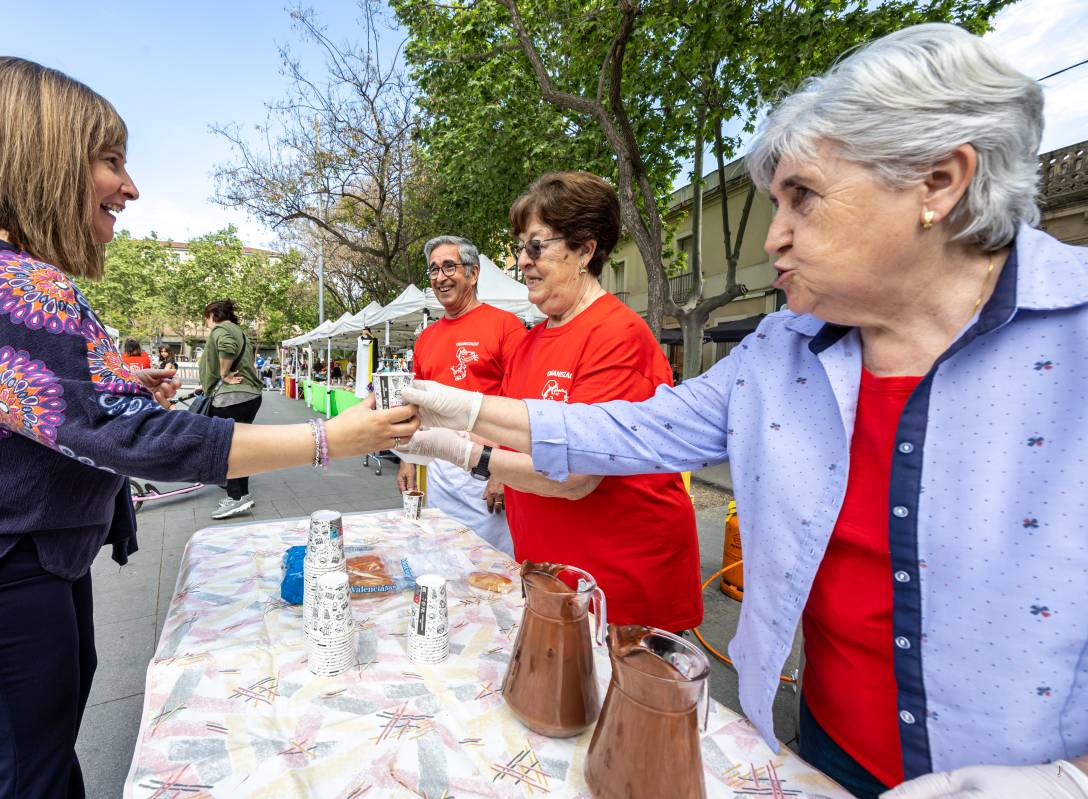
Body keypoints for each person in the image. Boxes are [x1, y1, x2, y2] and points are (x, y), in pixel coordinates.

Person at [400, 25, 1088, 799]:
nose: (776, 235)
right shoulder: (781, 346)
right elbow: (631, 429)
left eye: (804, 197)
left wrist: (1069, 778)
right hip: (820, 738)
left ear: (937, 181)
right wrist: (458, 413)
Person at [0, 56, 417, 799]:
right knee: (24, 775)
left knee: (38, 756)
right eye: (110, 161)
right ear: (39, 157)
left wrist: (112, 384)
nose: (129, 187)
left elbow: (36, 400)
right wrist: (335, 437)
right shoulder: (0, 281)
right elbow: (135, 435)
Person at [401, 172, 701, 633]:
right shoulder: (532, 340)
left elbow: (577, 477)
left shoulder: (617, 336)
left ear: (585, 248)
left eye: (535, 247)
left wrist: (463, 452)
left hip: (617, 586)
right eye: (521, 248)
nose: (523, 262)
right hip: (550, 574)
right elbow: (517, 429)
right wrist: (440, 422)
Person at [398, 235, 525, 554]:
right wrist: (408, 459)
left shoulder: (506, 327)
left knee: (491, 570)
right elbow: (415, 406)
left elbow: (524, 403)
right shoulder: (425, 338)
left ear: (474, 273)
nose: (440, 277)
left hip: (487, 472)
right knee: (444, 556)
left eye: (449, 266)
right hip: (442, 472)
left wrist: (505, 472)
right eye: (433, 269)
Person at [199, 299, 262, 520]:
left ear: (212, 315)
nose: (206, 323)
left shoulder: (221, 329)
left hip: (231, 398)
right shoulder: (238, 330)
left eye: (205, 318)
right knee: (240, 447)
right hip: (250, 396)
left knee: (227, 448)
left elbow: (227, 347)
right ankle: (242, 494)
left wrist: (224, 374)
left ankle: (235, 498)